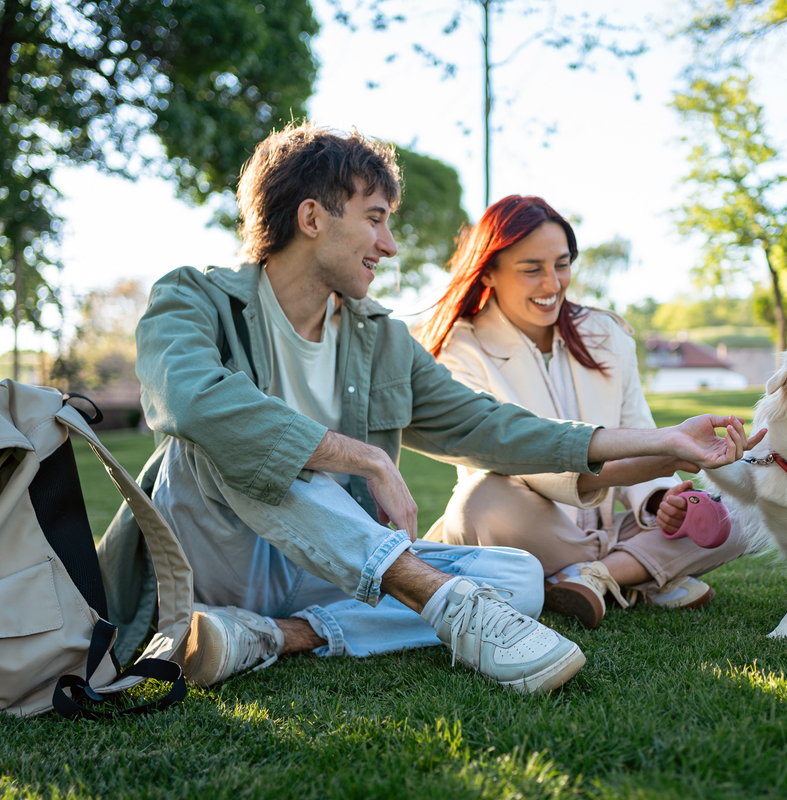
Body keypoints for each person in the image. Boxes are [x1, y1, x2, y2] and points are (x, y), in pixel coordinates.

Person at [96, 123, 752, 694]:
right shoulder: (192, 298)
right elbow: (192, 402)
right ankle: (444, 605)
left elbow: (489, 427)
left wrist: (664, 443)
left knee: (521, 580)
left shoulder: (380, 338)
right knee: (225, 439)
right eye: (376, 218)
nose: (389, 245)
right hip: (211, 552)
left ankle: (272, 636)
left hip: (324, 567)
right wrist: (365, 460)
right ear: (313, 217)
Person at [420, 195, 765, 629]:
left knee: (743, 511)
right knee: (476, 504)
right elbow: (515, 457)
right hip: (522, 529)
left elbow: (638, 429)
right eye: (532, 269)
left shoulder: (607, 334)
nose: (552, 284)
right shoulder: (459, 350)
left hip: (610, 526)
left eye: (561, 265)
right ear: (488, 271)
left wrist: (660, 500)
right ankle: (644, 575)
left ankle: (593, 577)